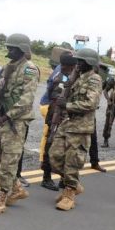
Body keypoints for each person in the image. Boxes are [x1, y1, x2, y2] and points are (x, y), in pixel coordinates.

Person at [0, 34, 40, 215]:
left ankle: (1, 199)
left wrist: (5, 117)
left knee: (9, 161)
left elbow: (26, 100)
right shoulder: (9, 67)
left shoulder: (29, 69)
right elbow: (2, 92)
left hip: (16, 122)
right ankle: (16, 187)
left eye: (11, 48)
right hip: (3, 119)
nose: (8, 51)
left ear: (22, 49)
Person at [49, 48, 102, 211]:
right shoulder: (76, 77)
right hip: (68, 123)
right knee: (54, 156)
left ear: (90, 63)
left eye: (82, 61)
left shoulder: (94, 79)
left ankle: (69, 193)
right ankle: (73, 185)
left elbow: (91, 103)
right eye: (78, 61)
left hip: (81, 127)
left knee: (72, 161)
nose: (78, 64)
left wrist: (68, 105)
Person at [39, 51, 77, 190]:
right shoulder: (61, 78)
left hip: (64, 115)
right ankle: (47, 177)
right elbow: (55, 99)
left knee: (66, 147)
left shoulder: (71, 77)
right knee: (51, 144)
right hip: (56, 115)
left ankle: (62, 178)